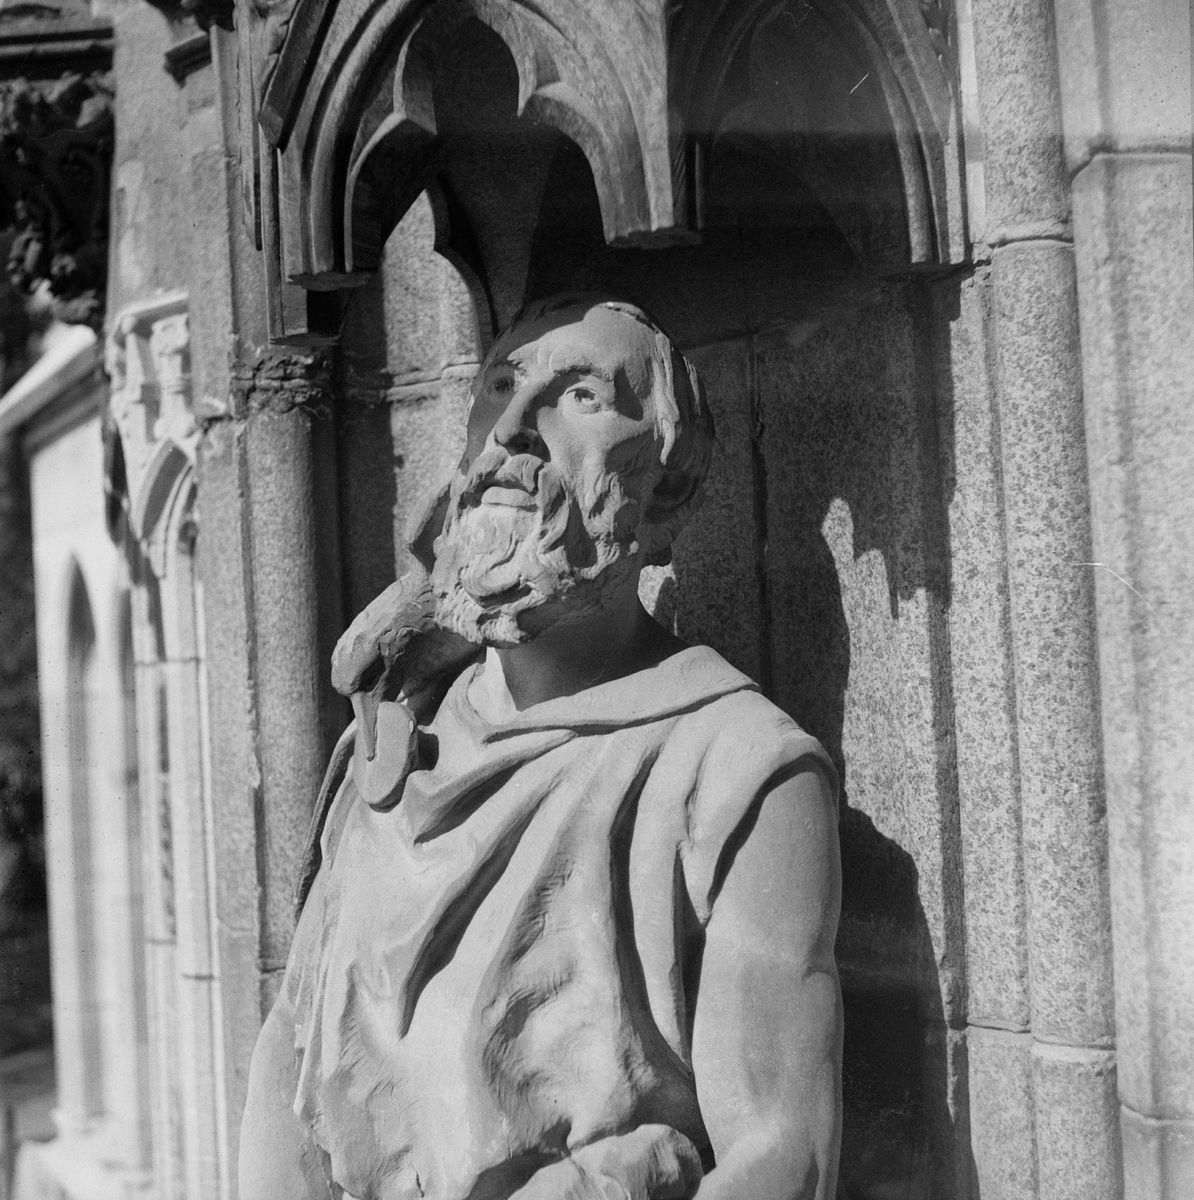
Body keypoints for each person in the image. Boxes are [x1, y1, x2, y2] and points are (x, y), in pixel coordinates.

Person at [239, 295, 842, 1200]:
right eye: (498, 391)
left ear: (668, 486)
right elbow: (289, 1066)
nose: (510, 434)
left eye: (582, 397)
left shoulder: (739, 774)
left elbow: (784, 1160)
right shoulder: (393, 744)